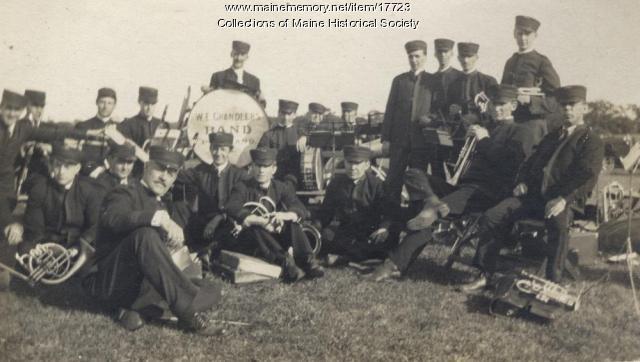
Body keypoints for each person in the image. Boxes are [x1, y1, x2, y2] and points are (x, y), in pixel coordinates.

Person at [461, 85, 604, 290]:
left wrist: (563, 200)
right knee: (493, 216)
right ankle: (485, 273)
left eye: (573, 105)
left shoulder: (591, 140)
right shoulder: (552, 136)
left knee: (558, 225)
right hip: (535, 198)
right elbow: (530, 162)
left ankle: (552, 282)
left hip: (564, 200)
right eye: (564, 106)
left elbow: (586, 176)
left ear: (585, 108)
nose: (567, 110)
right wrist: (522, 181)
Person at [87, 146, 224, 334]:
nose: (164, 177)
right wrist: (159, 219)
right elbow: (114, 218)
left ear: (175, 178)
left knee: (211, 289)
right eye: (160, 169)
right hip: (111, 280)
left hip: (143, 285)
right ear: (146, 167)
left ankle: (138, 311)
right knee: (145, 235)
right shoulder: (123, 192)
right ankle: (187, 314)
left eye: (171, 173)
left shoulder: (164, 203)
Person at [0, 90, 104, 289]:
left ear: (22, 111)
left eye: (16, 110)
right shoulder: (41, 187)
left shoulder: (23, 129)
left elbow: (56, 133)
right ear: (1, 107)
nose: (12, 113)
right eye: (8, 108)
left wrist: (88, 133)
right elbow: (34, 227)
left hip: (5, 189)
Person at [407, 85, 544, 230]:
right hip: (463, 187)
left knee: (434, 213)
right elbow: (457, 161)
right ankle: (433, 202)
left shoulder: (520, 130)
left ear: (514, 105)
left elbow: (508, 165)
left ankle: (430, 209)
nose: (496, 108)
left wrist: (484, 140)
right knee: (413, 174)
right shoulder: (487, 127)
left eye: (502, 104)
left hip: (483, 192)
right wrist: (467, 141)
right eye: (494, 104)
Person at [225, 147, 324, 282]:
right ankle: (285, 263)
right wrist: (262, 222)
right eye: (258, 166)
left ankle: (308, 261)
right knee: (255, 228)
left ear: (274, 169)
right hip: (252, 240)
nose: (262, 170)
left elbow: (299, 207)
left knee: (293, 223)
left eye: (266, 166)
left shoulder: (281, 187)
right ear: (252, 167)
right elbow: (232, 207)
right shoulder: (242, 186)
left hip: (274, 235)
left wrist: (283, 216)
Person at [8, 144, 105, 257]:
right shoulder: (40, 188)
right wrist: (36, 247)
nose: (61, 172)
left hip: (77, 250)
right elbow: (34, 227)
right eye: (58, 165)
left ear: (77, 168)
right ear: (51, 165)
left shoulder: (89, 191)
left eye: (67, 166)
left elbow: (94, 227)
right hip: (45, 248)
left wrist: (78, 247)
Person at [315, 145, 399, 262]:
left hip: (370, 232)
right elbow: (326, 212)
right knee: (324, 236)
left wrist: (383, 228)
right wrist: (316, 227)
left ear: (367, 164)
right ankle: (353, 256)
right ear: (344, 162)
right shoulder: (336, 184)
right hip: (346, 232)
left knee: (387, 241)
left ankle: (343, 258)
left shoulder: (377, 185)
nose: (353, 167)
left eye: (357, 163)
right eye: (349, 162)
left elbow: (389, 212)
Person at [177, 132, 249, 259]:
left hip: (227, 222)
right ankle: (186, 248)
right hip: (204, 222)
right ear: (210, 149)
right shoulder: (201, 171)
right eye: (215, 148)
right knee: (180, 210)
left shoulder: (239, 175)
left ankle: (207, 252)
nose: (218, 153)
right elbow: (178, 175)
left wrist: (218, 219)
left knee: (229, 234)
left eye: (223, 149)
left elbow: (235, 205)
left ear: (230, 151)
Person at [381, 40, 436, 204]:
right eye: (410, 56)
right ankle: (391, 220)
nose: (414, 60)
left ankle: (414, 217)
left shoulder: (433, 81)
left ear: (425, 56)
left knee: (417, 181)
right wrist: (386, 139)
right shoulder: (399, 80)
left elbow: (438, 109)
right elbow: (390, 109)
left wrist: (429, 120)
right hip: (399, 142)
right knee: (393, 181)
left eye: (417, 56)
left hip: (420, 142)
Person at [501, 15, 560, 95]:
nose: (523, 38)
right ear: (514, 34)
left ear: (535, 35)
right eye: (520, 33)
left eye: (527, 34)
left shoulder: (541, 61)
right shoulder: (510, 61)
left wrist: (532, 100)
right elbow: (502, 90)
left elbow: (556, 93)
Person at [258, 99, 306, 187]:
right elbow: (262, 156)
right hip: (275, 176)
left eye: (289, 114)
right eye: (283, 113)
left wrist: (305, 137)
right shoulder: (269, 135)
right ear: (278, 113)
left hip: (297, 177)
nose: (285, 117)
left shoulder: (300, 133)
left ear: (295, 115)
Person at [446, 42, 498, 119]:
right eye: (463, 56)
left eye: (469, 56)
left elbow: (493, 110)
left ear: (476, 57)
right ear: (458, 58)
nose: (465, 60)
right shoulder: (453, 84)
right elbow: (448, 108)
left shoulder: (488, 81)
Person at [204, 40, 264, 106]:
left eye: (242, 54)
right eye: (236, 54)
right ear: (231, 54)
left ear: (247, 57)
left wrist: (261, 100)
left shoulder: (254, 81)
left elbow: (260, 107)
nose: (238, 58)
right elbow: (209, 102)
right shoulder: (218, 77)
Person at [75, 87, 119, 176]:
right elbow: (76, 153)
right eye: (102, 102)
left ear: (114, 105)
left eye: (110, 103)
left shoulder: (119, 128)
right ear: (96, 102)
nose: (105, 107)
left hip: (111, 176)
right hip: (87, 174)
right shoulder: (83, 126)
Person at [15, 89, 51, 193]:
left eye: (42, 106)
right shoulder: (18, 125)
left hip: (42, 172)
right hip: (20, 171)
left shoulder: (47, 127)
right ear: (27, 106)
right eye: (35, 106)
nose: (39, 110)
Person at [431, 38, 464, 116]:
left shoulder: (460, 76)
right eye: (439, 52)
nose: (442, 55)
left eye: (446, 52)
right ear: (435, 54)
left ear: (452, 53)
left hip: (453, 121)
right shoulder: (431, 78)